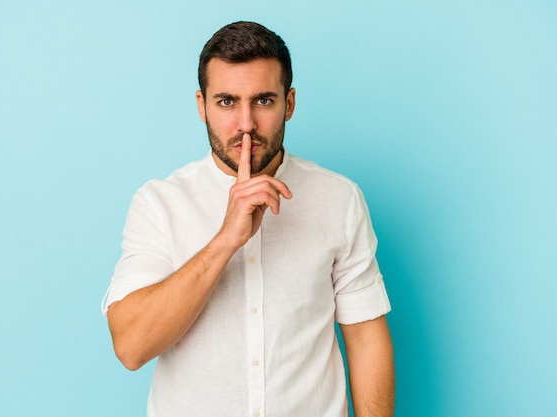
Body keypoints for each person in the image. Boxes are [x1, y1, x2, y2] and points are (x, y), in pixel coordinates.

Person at [102, 21, 394, 417]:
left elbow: (365, 338)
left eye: (263, 101)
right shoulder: (159, 203)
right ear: (201, 105)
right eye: (226, 102)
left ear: (289, 103)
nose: (245, 124)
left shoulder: (339, 199)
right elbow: (132, 346)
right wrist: (225, 240)